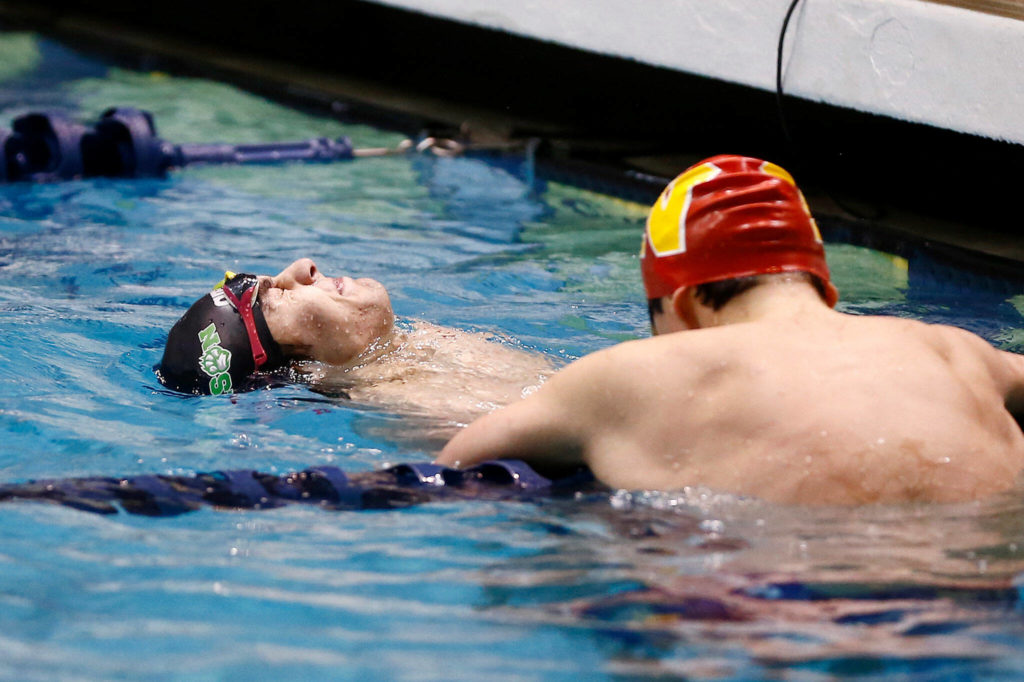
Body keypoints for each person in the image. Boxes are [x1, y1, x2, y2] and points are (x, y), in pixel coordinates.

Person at [436, 155, 1024, 505]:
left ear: (686, 305)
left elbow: (458, 462)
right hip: (979, 601)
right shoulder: (954, 349)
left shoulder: (627, 374)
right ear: (826, 291)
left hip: (769, 607)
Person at [158, 258, 553, 431]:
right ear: (303, 369)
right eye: (275, 297)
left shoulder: (421, 343)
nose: (303, 266)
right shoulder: (435, 411)